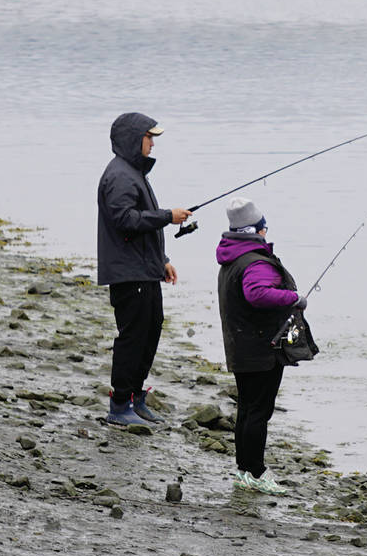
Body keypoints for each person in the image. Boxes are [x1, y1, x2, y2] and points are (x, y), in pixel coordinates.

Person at [95, 113, 193, 426]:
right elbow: (126, 220)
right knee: (133, 338)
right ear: (133, 139)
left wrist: (161, 260)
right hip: (127, 273)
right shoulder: (120, 176)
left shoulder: (134, 173)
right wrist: (168, 216)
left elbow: (141, 221)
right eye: (149, 137)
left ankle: (136, 400)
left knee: (151, 331)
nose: (152, 143)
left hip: (144, 269)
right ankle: (119, 406)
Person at [214, 197, 303, 494]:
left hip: (241, 346)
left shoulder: (232, 257)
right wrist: (293, 298)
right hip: (260, 350)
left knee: (248, 408)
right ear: (258, 230)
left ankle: (244, 469)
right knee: (258, 412)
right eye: (264, 227)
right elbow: (257, 294)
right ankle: (255, 471)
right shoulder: (254, 261)